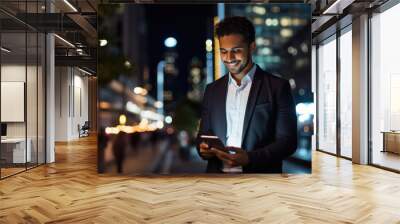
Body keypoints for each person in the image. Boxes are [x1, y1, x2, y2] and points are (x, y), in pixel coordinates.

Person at [196, 16, 297, 173]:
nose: (229, 58)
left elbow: (288, 142)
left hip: (261, 182)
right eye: (223, 51)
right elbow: (203, 135)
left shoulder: (278, 87)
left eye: (236, 51)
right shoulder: (212, 90)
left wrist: (250, 158)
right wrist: (203, 149)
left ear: (252, 47)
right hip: (217, 181)